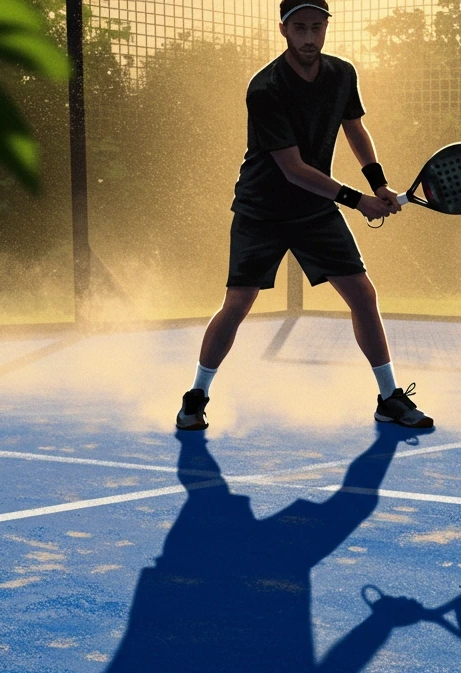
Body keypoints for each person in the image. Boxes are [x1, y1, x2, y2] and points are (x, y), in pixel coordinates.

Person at [175, 0, 433, 431]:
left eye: (317, 27)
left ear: (327, 27)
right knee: (238, 304)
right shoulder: (265, 88)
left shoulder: (342, 74)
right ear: (283, 29)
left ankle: (389, 398)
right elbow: (292, 169)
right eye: (300, 28)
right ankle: (196, 396)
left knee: (363, 297)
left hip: (314, 209)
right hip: (262, 210)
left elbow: (354, 127)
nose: (309, 38)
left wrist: (379, 185)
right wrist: (358, 201)